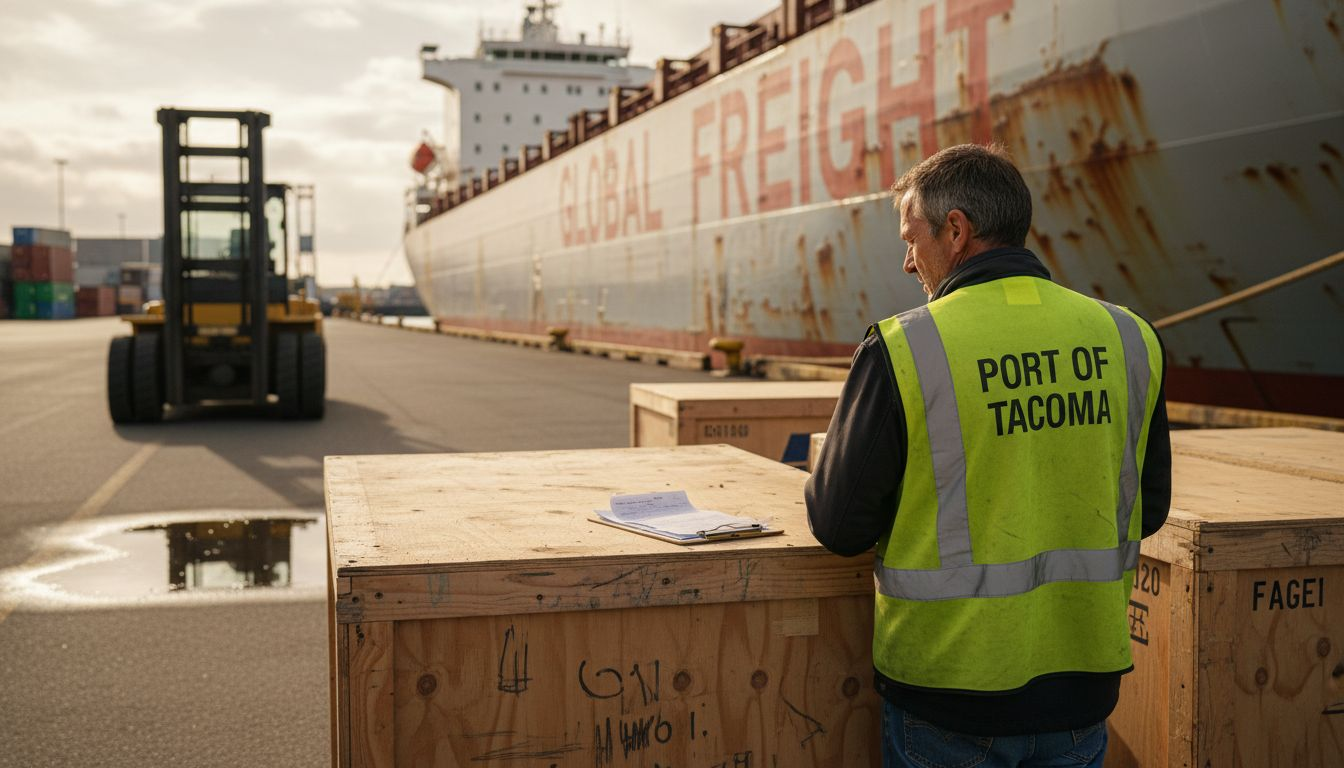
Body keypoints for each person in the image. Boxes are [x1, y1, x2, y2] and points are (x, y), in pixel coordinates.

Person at [805, 143, 1171, 768]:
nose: (906, 262)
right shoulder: (1127, 337)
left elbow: (840, 526)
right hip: (1080, 694)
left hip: (948, 698)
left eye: (911, 238)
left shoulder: (904, 348)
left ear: (955, 230)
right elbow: (1151, 509)